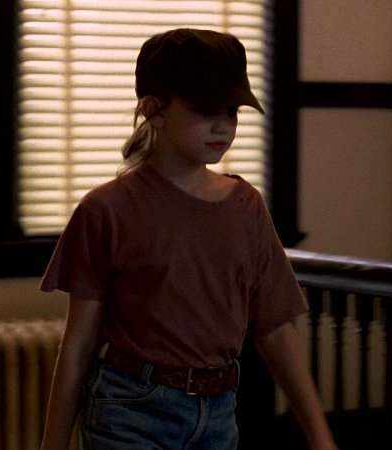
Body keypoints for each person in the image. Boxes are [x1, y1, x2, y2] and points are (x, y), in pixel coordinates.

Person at [39, 28, 337, 450]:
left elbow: (274, 328)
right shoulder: (106, 210)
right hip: (131, 411)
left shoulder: (246, 207)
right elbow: (79, 343)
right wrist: (52, 444)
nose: (223, 125)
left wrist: (320, 436)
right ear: (154, 110)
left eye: (231, 111)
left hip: (219, 413)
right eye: (205, 110)